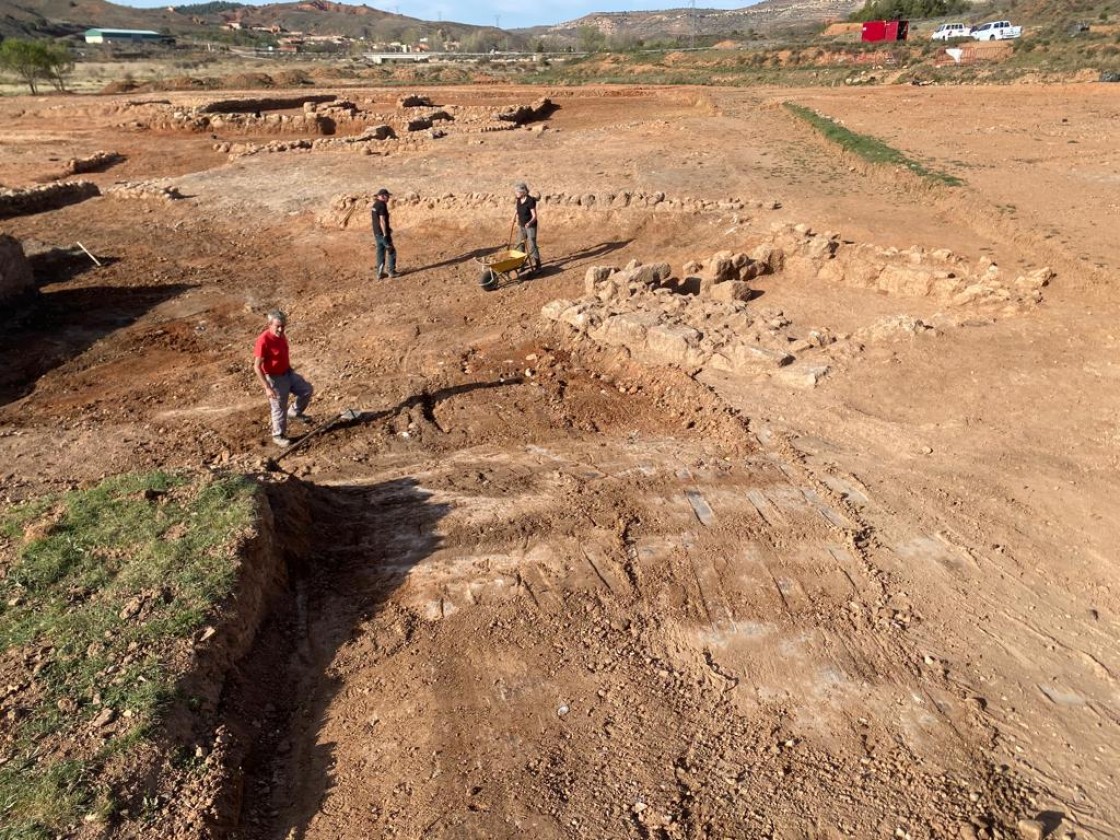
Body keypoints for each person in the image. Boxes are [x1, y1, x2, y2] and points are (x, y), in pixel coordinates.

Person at [253, 310, 313, 448]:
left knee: (306, 390)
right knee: (279, 407)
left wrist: (289, 368)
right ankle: (278, 435)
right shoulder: (264, 341)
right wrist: (267, 387)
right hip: (274, 379)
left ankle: (294, 412)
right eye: (277, 326)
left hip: (287, 373)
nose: (281, 329)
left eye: (283, 326)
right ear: (269, 324)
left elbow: (283, 353)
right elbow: (256, 367)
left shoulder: (281, 335)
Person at [513, 181, 541, 271]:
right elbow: (517, 209)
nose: (515, 193)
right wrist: (513, 217)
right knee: (519, 244)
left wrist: (529, 223)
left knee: (532, 244)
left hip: (530, 226)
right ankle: (521, 264)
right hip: (521, 225)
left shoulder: (530, 201)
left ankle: (537, 265)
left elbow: (534, 216)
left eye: (517, 192)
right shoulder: (518, 199)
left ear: (523, 192)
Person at [371, 187, 398, 280]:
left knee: (380, 252)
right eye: (387, 196)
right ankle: (391, 272)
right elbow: (382, 220)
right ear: (382, 196)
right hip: (382, 234)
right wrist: (385, 234)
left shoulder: (375, 205)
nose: (388, 198)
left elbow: (376, 220)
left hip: (377, 233)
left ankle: (379, 273)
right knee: (391, 251)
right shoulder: (382, 205)